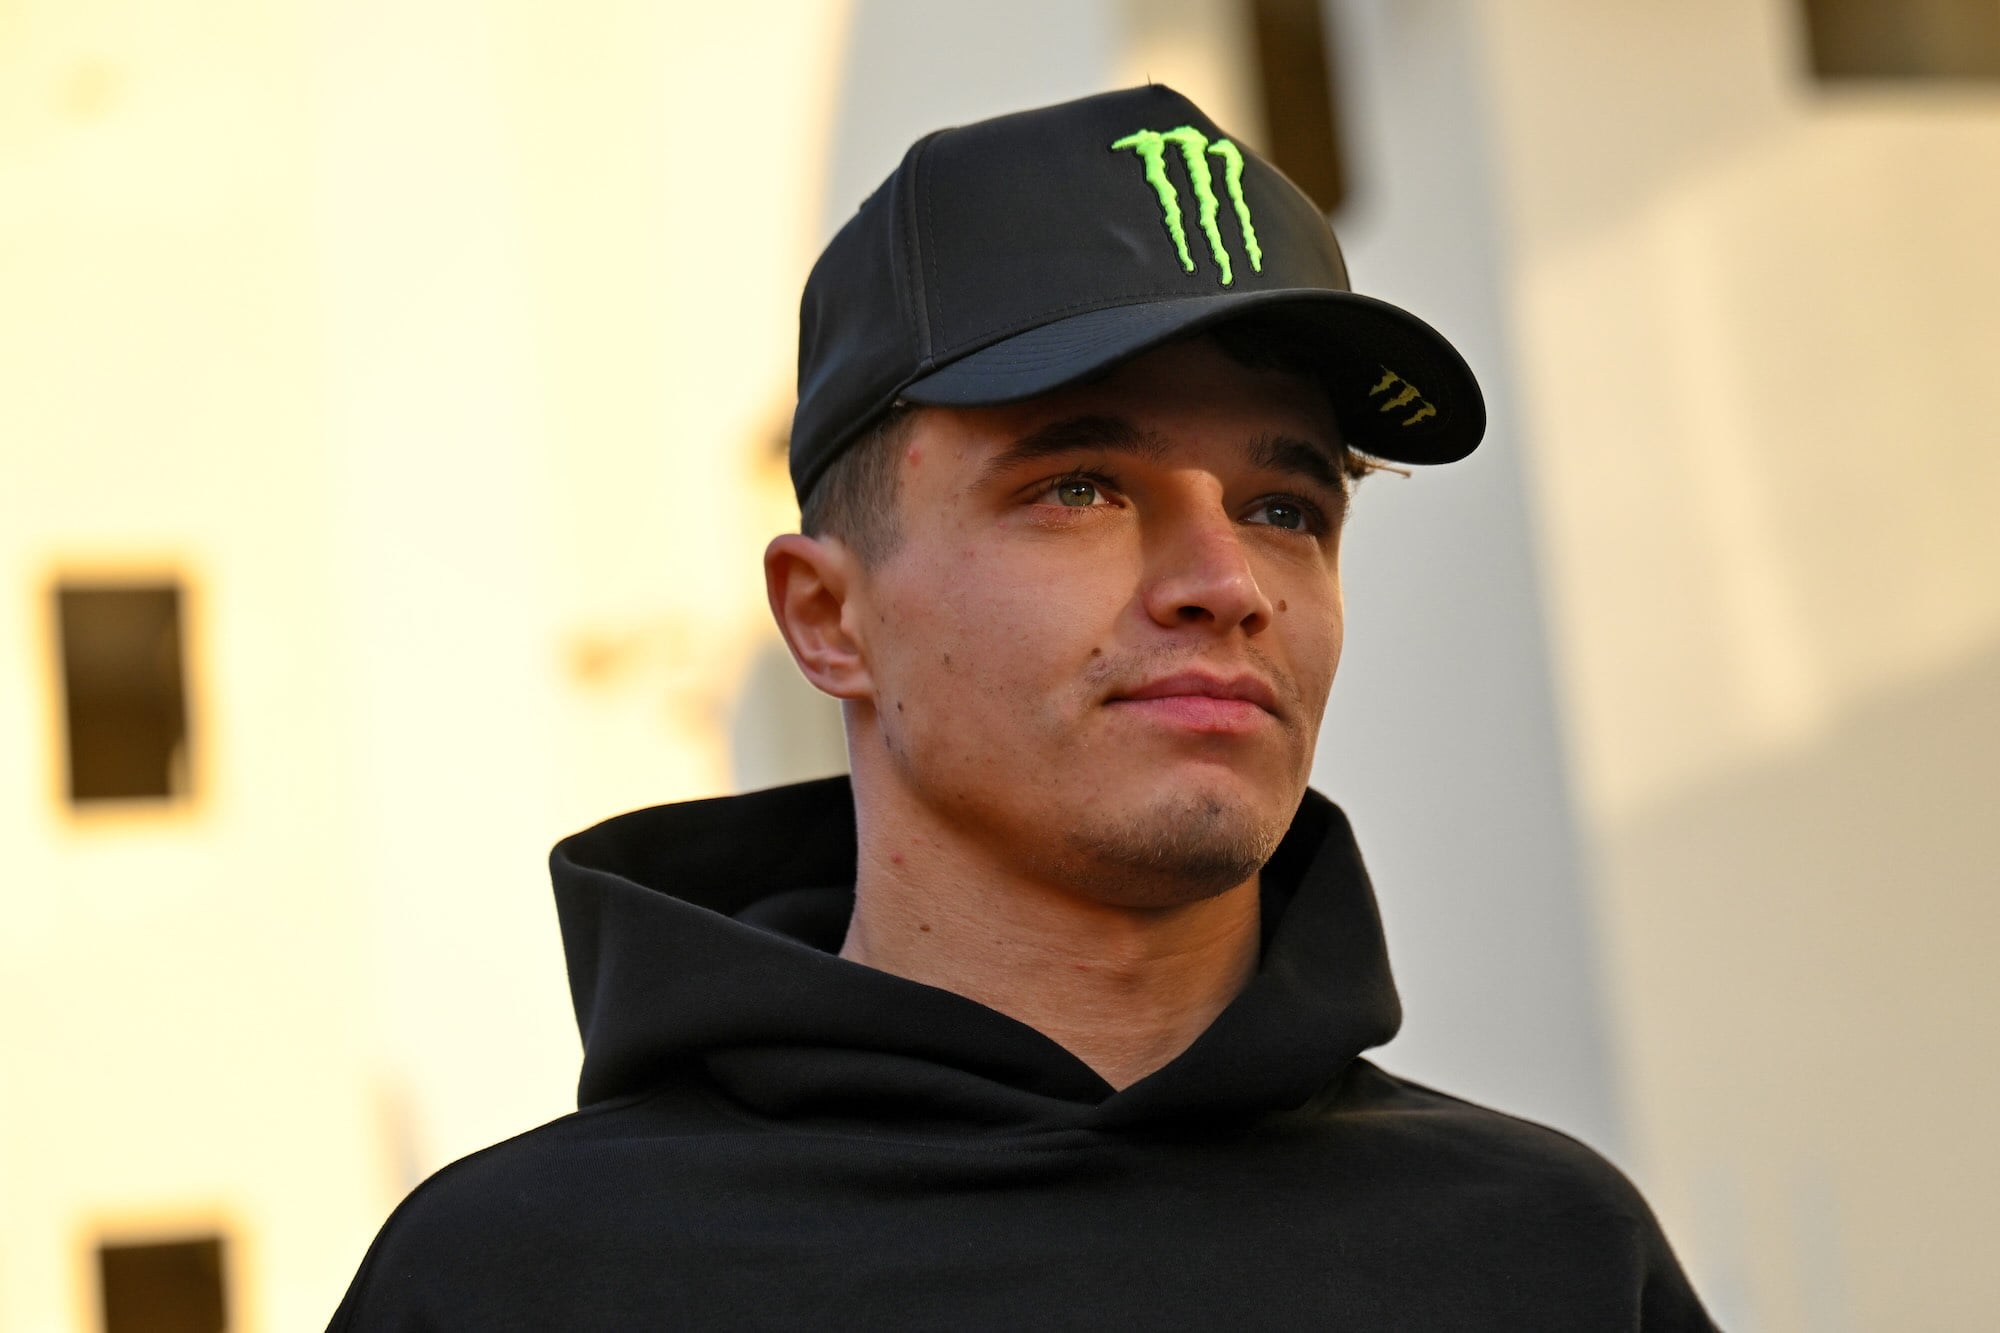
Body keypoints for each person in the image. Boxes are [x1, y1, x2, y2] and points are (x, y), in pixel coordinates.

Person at [330, 84, 1716, 1330]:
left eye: (1286, 507)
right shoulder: (523, 1283)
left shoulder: (1551, 1261)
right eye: (1081, 488)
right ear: (828, 617)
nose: (1226, 583)